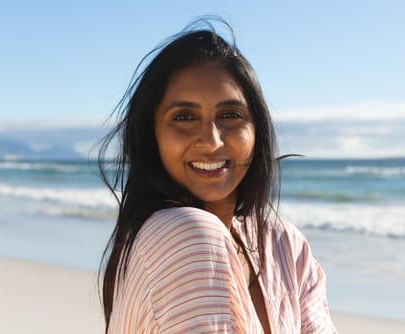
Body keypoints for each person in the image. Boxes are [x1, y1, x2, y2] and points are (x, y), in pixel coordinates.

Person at [98, 19, 337, 333]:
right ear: (151, 135)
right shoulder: (184, 235)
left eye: (230, 115)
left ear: (257, 130)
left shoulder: (285, 246)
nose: (212, 140)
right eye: (184, 117)